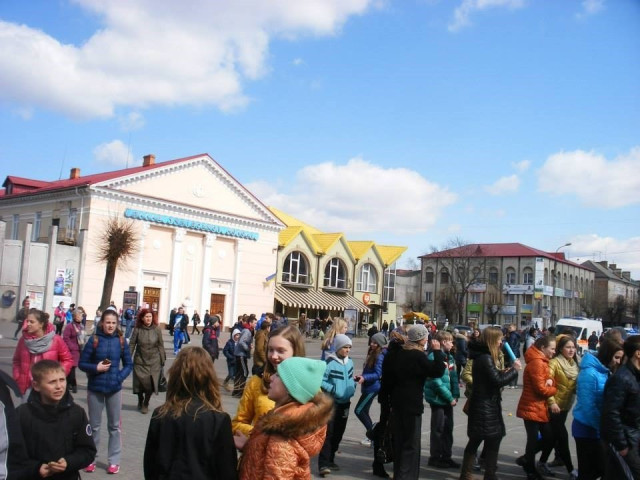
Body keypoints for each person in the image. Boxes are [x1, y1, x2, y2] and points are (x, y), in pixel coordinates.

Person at [143, 347, 237, 480]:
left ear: (175, 375)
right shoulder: (218, 419)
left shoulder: (161, 414)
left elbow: (150, 466)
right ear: (209, 377)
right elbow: (227, 471)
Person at [236, 357, 333, 480]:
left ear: (290, 388)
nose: (271, 377)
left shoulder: (281, 438)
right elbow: (268, 460)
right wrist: (250, 446)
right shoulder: (282, 423)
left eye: (278, 375)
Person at [382, 324, 446, 480]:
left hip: (397, 402)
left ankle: (399, 473)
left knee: (400, 440)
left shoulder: (398, 353)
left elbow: (388, 378)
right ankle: (406, 476)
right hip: (412, 404)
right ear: (421, 339)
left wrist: (386, 400)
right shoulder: (417, 355)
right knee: (411, 443)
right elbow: (437, 371)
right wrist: (437, 351)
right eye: (426, 337)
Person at [459, 327, 521, 480]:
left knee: (491, 438)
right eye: (499, 339)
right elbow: (496, 381)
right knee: (481, 439)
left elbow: (491, 377)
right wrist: (514, 370)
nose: (501, 342)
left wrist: (503, 372)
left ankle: (487, 473)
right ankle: (473, 474)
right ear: (493, 340)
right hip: (484, 405)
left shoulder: (484, 356)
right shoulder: (485, 357)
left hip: (487, 404)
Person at [16, 360, 96, 479]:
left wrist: (69, 462)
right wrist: (35, 468)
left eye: (62, 380)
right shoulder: (22, 414)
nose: (59, 386)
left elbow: (88, 451)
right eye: (52, 382)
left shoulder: (76, 413)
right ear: (36, 386)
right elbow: (13, 454)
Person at [78, 308, 133, 474]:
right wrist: (96, 368)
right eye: (108, 322)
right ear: (102, 323)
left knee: (114, 427)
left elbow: (129, 364)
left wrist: (119, 377)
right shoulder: (94, 340)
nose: (110, 325)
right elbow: (82, 363)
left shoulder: (121, 341)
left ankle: (114, 461)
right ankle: (91, 459)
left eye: (113, 323)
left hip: (114, 389)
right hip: (95, 388)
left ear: (117, 324)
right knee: (94, 426)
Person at [232, 326, 306, 436]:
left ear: (295, 352)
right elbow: (237, 424)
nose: (274, 356)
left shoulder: (308, 385)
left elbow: (316, 431)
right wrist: (259, 434)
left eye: (281, 351)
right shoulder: (257, 381)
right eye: (270, 350)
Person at [571, 337, 624, 480]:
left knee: (601, 469)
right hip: (586, 429)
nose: (618, 361)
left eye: (621, 358)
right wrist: (603, 427)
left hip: (597, 428)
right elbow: (588, 406)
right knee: (589, 472)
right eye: (616, 357)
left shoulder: (605, 370)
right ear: (607, 354)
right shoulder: (589, 373)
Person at [516, 334, 557, 480]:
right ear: (543, 348)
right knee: (534, 440)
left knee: (548, 438)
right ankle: (530, 469)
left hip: (537, 407)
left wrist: (550, 381)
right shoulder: (537, 363)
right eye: (552, 349)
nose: (554, 352)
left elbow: (548, 378)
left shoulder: (541, 361)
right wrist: (554, 388)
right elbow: (541, 389)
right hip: (532, 406)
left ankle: (527, 460)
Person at [538, 335, 578, 479]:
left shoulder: (574, 365)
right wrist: (552, 402)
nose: (571, 350)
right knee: (562, 437)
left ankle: (535, 460)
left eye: (573, 347)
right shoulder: (554, 363)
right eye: (568, 347)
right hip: (553, 407)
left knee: (552, 438)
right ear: (561, 349)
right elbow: (547, 385)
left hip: (565, 407)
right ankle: (571, 470)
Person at [601, 335, 640, 479]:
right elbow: (611, 413)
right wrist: (622, 445)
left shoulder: (636, 376)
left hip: (635, 439)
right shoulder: (621, 378)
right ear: (638, 353)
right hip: (626, 442)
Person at [318, 334, 357, 476]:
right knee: (328, 433)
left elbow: (351, 377)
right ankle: (323, 464)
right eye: (345, 347)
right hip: (332, 403)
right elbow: (320, 380)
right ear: (338, 347)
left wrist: (353, 386)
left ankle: (331, 459)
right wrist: (333, 389)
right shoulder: (329, 363)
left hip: (345, 403)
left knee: (339, 433)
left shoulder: (350, 362)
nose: (347, 350)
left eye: (349, 347)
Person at [13, 308, 73, 396]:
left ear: (41, 324)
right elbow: (16, 361)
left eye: (31, 322)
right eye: (27, 321)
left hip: (49, 387)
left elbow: (67, 360)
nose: (28, 324)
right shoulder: (23, 340)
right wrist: (17, 376)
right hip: (27, 386)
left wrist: (57, 376)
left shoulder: (56, 340)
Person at [424, 330, 460, 469]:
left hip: (448, 399)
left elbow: (454, 377)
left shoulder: (449, 357)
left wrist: (455, 394)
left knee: (448, 429)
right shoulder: (433, 357)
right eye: (450, 341)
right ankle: (435, 457)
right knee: (438, 429)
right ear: (444, 342)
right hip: (438, 399)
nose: (452, 344)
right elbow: (435, 381)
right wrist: (449, 397)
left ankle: (446, 456)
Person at [129, 308, 165, 414]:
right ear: (142, 318)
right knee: (140, 385)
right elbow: (132, 344)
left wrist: (162, 358)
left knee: (150, 385)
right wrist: (128, 357)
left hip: (154, 361)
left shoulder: (157, 329)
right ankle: (140, 399)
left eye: (150, 316)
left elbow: (160, 344)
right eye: (146, 317)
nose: (148, 318)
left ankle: (146, 403)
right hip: (140, 361)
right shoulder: (137, 329)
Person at [354, 332, 387, 447]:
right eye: (371, 341)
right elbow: (368, 370)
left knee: (359, 411)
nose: (372, 344)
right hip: (367, 386)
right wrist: (361, 376)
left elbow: (378, 374)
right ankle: (373, 436)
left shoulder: (380, 355)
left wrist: (365, 378)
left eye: (375, 343)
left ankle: (373, 435)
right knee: (364, 411)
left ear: (379, 344)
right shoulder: (372, 353)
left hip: (372, 388)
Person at [63, 308, 87, 394]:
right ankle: (73, 384)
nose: (81, 317)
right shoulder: (69, 326)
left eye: (82, 315)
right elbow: (66, 338)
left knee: (73, 368)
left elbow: (83, 337)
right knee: (72, 367)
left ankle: (68, 383)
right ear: (75, 316)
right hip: (71, 350)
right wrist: (72, 347)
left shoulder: (81, 326)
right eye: (80, 315)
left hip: (79, 350)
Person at [232, 316, 257, 397]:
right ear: (250, 323)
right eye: (255, 323)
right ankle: (240, 391)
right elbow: (241, 342)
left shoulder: (248, 330)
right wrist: (248, 348)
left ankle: (236, 391)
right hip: (241, 355)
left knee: (239, 373)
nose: (256, 324)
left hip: (240, 354)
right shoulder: (247, 331)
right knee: (244, 373)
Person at [504, 324, 521, 388]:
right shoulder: (516, 334)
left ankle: (512, 384)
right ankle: (515, 384)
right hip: (516, 353)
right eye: (509, 327)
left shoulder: (512, 335)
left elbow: (510, 345)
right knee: (516, 368)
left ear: (514, 328)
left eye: (510, 327)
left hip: (512, 354)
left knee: (511, 368)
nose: (509, 328)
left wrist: (505, 340)